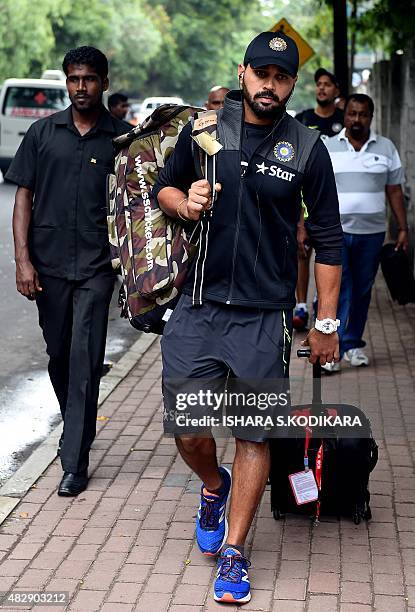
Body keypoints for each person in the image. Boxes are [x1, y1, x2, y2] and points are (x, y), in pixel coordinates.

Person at [154, 31, 343, 604]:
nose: (270, 84)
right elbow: (163, 187)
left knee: (253, 433)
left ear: (291, 85)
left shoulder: (308, 148)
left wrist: (326, 324)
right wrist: (184, 203)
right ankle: (215, 487)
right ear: (243, 73)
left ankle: (234, 552)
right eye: (261, 73)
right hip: (198, 308)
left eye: (281, 77)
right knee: (189, 432)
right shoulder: (206, 132)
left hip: (264, 318)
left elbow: (330, 241)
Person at [7, 46, 130, 496]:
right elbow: (23, 199)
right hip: (50, 266)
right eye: (75, 79)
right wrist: (23, 260)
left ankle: (75, 459)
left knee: (84, 361)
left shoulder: (122, 139)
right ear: (66, 82)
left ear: (104, 82)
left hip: (98, 267)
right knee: (59, 356)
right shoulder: (42, 134)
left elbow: (137, 206)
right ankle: (76, 427)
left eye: (90, 79)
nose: (82, 87)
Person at [323, 93, 408, 372]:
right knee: (339, 288)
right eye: (352, 114)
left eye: (363, 114)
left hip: (372, 234)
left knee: (362, 289)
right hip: (336, 232)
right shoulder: (328, 147)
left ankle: (353, 344)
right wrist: (307, 226)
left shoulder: (386, 148)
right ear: (344, 115)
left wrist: (403, 228)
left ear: (371, 117)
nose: (356, 119)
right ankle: (332, 349)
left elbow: (394, 191)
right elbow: (316, 192)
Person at [293, 68, 345, 331]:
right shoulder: (303, 119)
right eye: (318, 84)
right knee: (302, 253)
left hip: (336, 200)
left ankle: (320, 303)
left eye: (327, 85)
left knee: (329, 254)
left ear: (336, 90)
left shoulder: (345, 119)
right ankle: (300, 307)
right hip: (306, 199)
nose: (322, 89)